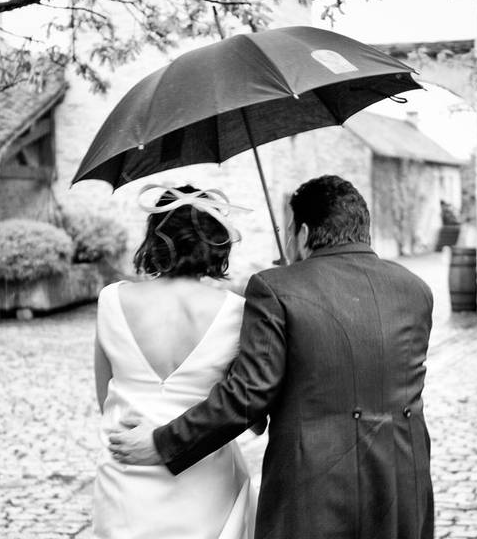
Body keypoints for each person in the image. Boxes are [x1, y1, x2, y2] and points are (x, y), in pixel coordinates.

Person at [110, 175, 437, 539]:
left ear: (303, 232)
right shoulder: (416, 290)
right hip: (402, 486)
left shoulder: (276, 288)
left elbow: (248, 396)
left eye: (288, 229)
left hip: (315, 492)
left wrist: (162, 443)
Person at [93, 184, 255, 539]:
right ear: (214, 241)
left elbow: (103, 395)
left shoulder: (111, 300)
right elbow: (248, 413)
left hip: (125, 483)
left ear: (155, 237)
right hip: (204, 481)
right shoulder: (236, 312)